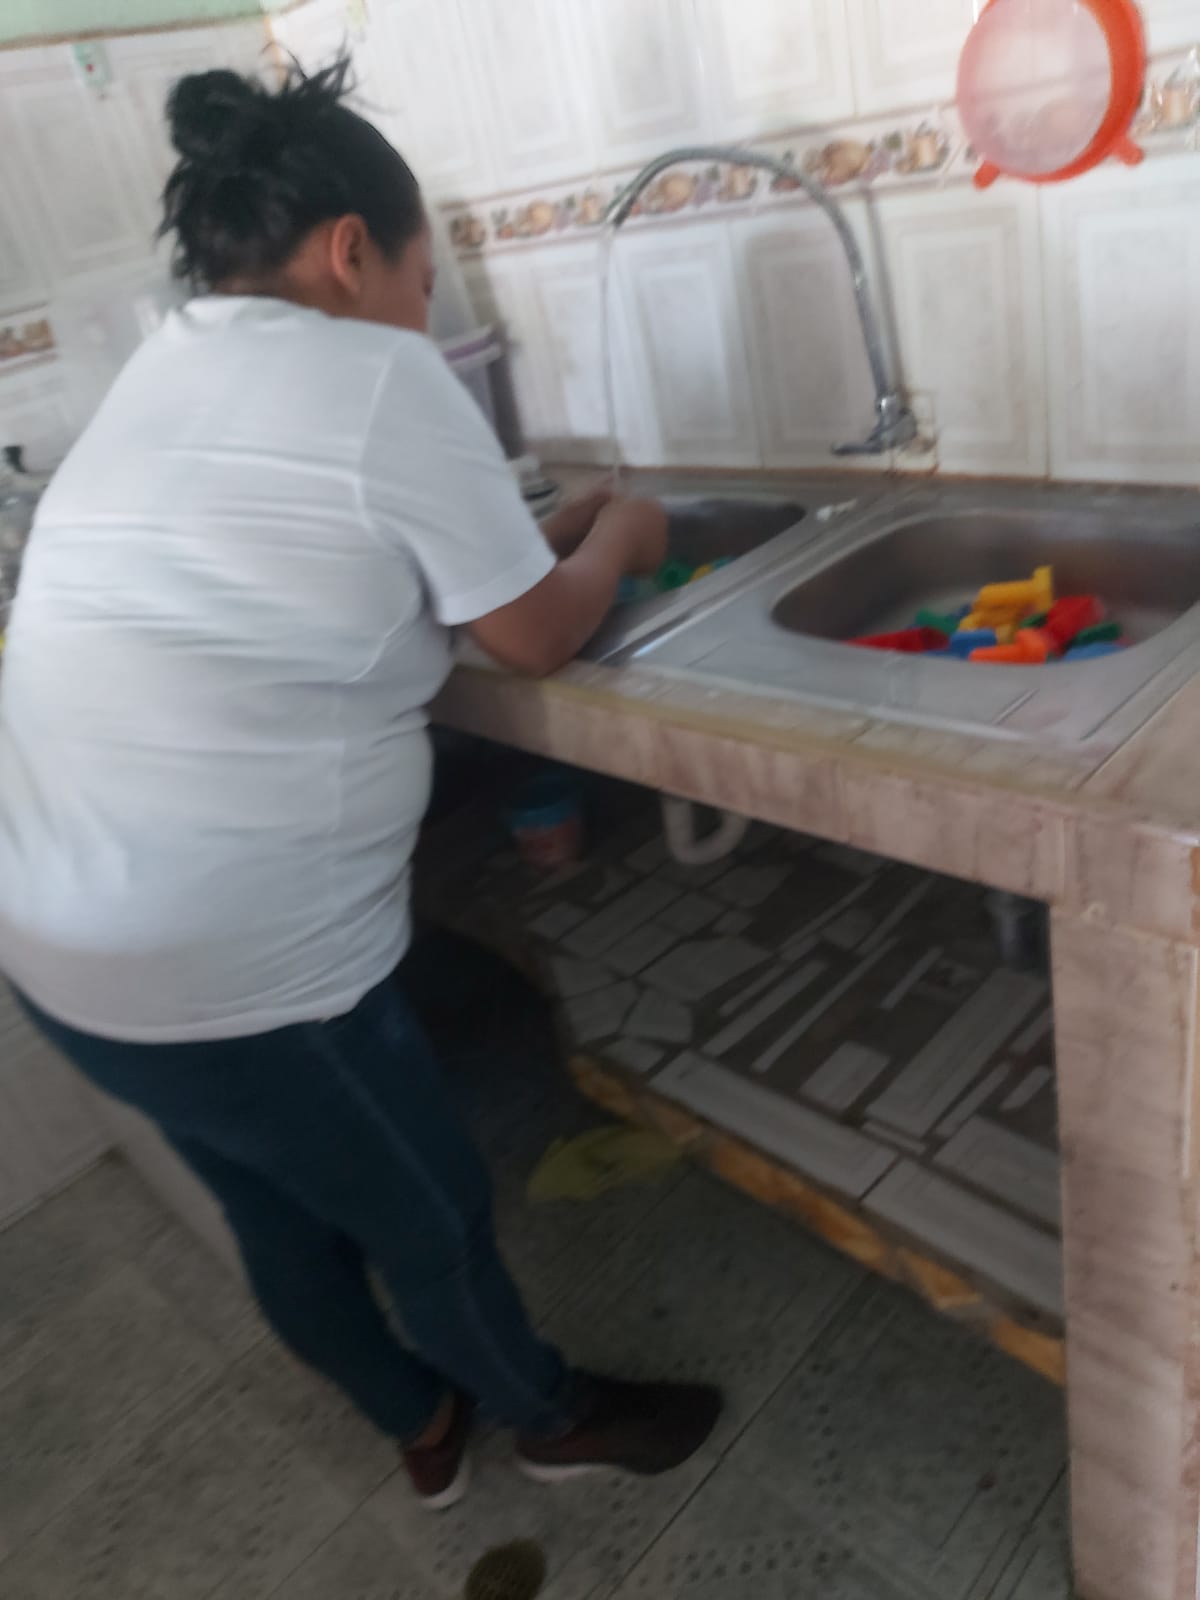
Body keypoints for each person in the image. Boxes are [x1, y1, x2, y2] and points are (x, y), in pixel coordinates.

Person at [0, 61, 720, 1509]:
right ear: (349, 250)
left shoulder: (170, 362)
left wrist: (547, 539)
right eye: (422, 280)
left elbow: (343, 559)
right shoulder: (380, 375)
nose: (424, 312)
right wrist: (624, 536)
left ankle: (420, 1423)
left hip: (60, 949)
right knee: (430, 1216)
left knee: (278, 1219)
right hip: (244, 973)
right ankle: (548, 1418)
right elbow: (534, 636)